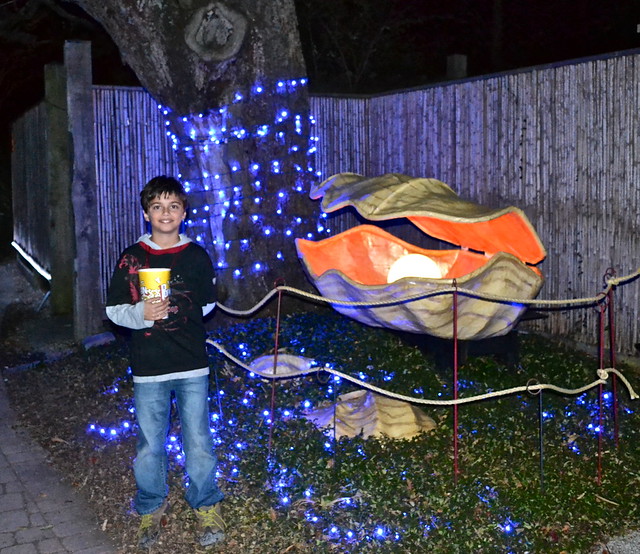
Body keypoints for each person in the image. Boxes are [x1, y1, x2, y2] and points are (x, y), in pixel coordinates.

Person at [106, 175, 225, 549]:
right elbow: (113, 310)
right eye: (157, 206)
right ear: (146, 214)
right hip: (149, 368)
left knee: (199, 440)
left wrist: (178, 312)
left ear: (184, 212)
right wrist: (143, 312)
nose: (165, 213)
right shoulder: (132, 258)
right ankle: (149, 508)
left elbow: (207, 304)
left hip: (191, 365)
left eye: (173, 206)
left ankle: (206, 505)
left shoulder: (196, 256)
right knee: (149, 445)